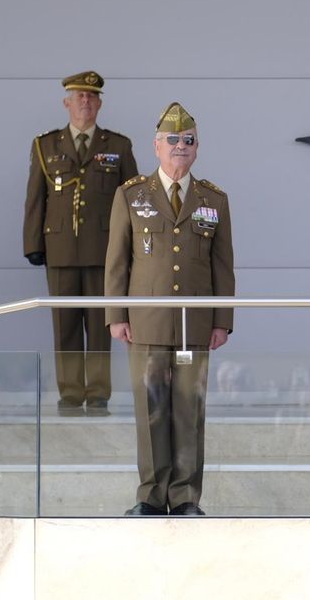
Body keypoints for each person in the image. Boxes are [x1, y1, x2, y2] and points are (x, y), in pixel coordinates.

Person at [105, 102, 233, 516]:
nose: (181, 147)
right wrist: (116, 314)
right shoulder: (131, 194)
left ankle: (185, 497)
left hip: (195, 325)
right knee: (151, 412)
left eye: (189, 140)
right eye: (173, 140)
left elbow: (222, 265)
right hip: (147, 322)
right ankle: (150, 495)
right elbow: (118, 261)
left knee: (188, 413)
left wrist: (222, 321)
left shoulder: (213, 198)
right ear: (157, 146)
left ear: (197, 148)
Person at [23, 71, 138, 415]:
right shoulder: (45, 144)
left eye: (91, 96)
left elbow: (133, 200)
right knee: (65, 326)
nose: (85, 101)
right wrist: (32, 243)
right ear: (66, 103)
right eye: (79, 96)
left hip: (106, 252)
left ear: (100, 103)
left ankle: (99, 392)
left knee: (103, 326)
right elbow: (35, 198)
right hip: (59, 249)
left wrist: (134, 247)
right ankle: (71, 393)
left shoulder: (118, 146)